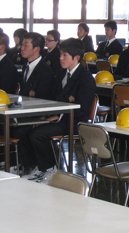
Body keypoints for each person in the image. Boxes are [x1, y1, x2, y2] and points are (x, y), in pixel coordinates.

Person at [20, 38, 96, 181]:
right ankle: (36, 166)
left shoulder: (85, 78)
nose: (60, 58)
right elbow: (52, 98)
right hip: (58, 117)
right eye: (60, 54)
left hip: (74, 120)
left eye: (64, 55)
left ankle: (50, 168)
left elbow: (83, 108)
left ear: (76, 58)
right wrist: (43, 116)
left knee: (38, 134)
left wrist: (57, 116)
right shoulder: (61, 74)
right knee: (26, 129)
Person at [19, 32, 55, 100]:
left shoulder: (45, 71)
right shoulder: (25, 67)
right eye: (22, 45)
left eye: (26, 45)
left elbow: (44, 98)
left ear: (37, 49)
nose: (22, 48)